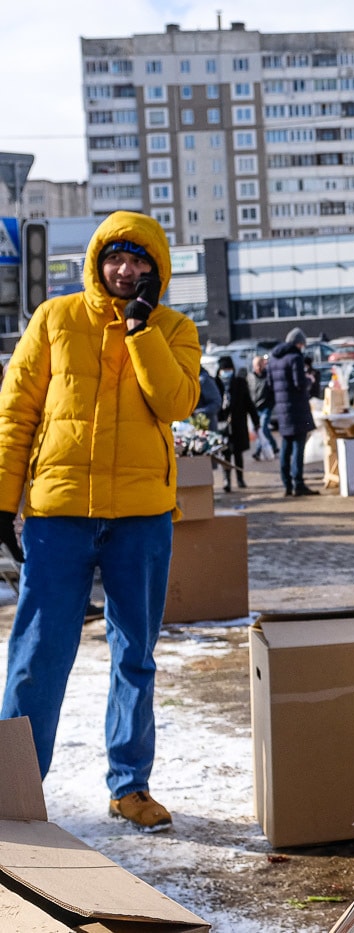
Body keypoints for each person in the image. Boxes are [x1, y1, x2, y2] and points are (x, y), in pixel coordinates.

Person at [0, 211, 201, 833]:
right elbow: (17, 409)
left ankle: (130, 786)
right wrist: (4, 500)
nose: (126, 270)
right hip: (59, 516)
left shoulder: (173, 328)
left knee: (134, 654)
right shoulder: (55, 319)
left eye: (140, 261)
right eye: (116, 258)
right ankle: (13, 786)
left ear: (157, 269)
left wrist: (140, 332)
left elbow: (176, 403)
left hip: (142, 518)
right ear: (97, 261)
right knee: (37, 652)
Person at [268, 327, 318, 497]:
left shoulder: (274, 358)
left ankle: (286, 483)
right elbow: (299, 383)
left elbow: (270, 383)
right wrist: (309, 381)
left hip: (282, 409)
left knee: (286, 446)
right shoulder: (295, 358)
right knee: (298, 447)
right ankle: (298, 483)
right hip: (297, 408)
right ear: (299, 343)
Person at [215, 355, 258, 492]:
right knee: (225, 453)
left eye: (229, 369)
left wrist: (256, 421)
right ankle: (226, 480)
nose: (227, 372)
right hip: (222, 426)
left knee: (238, 454)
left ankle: (240, 478)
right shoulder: (216, 384)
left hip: (238, 423)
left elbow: (249, 403)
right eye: (224, 369)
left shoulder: (240, 382)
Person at [247, 354, 278, 460]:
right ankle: (274, 446)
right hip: (255, 407)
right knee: (259, 429)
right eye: (256, 365)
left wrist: (271, 404)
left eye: (260, 365)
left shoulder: (268, 376)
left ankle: (258, 451)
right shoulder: (250, 377)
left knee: (263, 427)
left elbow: (273, 391)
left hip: (266, 406)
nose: (259, 367)